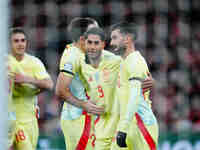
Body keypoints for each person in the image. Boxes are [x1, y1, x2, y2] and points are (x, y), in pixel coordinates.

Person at [55, 17, 105, 150]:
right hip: (79, 120)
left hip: (90, 119)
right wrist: (83, 104)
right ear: (83, 38)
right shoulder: (73, 56)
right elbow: (60, 90)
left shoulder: (85, 53)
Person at [109, 22, 159, 150]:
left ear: (127, 39)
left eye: (114, 38)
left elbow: (135, 97)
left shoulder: (136, 61)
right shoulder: (121, 62)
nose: (111, 43)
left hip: (141, 126)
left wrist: (123, 128)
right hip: (125, 126)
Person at [8, 27, 53, 150]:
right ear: (9, 43)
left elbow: (49, 84)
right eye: (16, 41)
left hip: (31, 120)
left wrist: (27, 79)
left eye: (23, 40)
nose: (20, 44)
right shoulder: (5, 62)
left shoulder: (34, 62)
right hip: (13, 120)